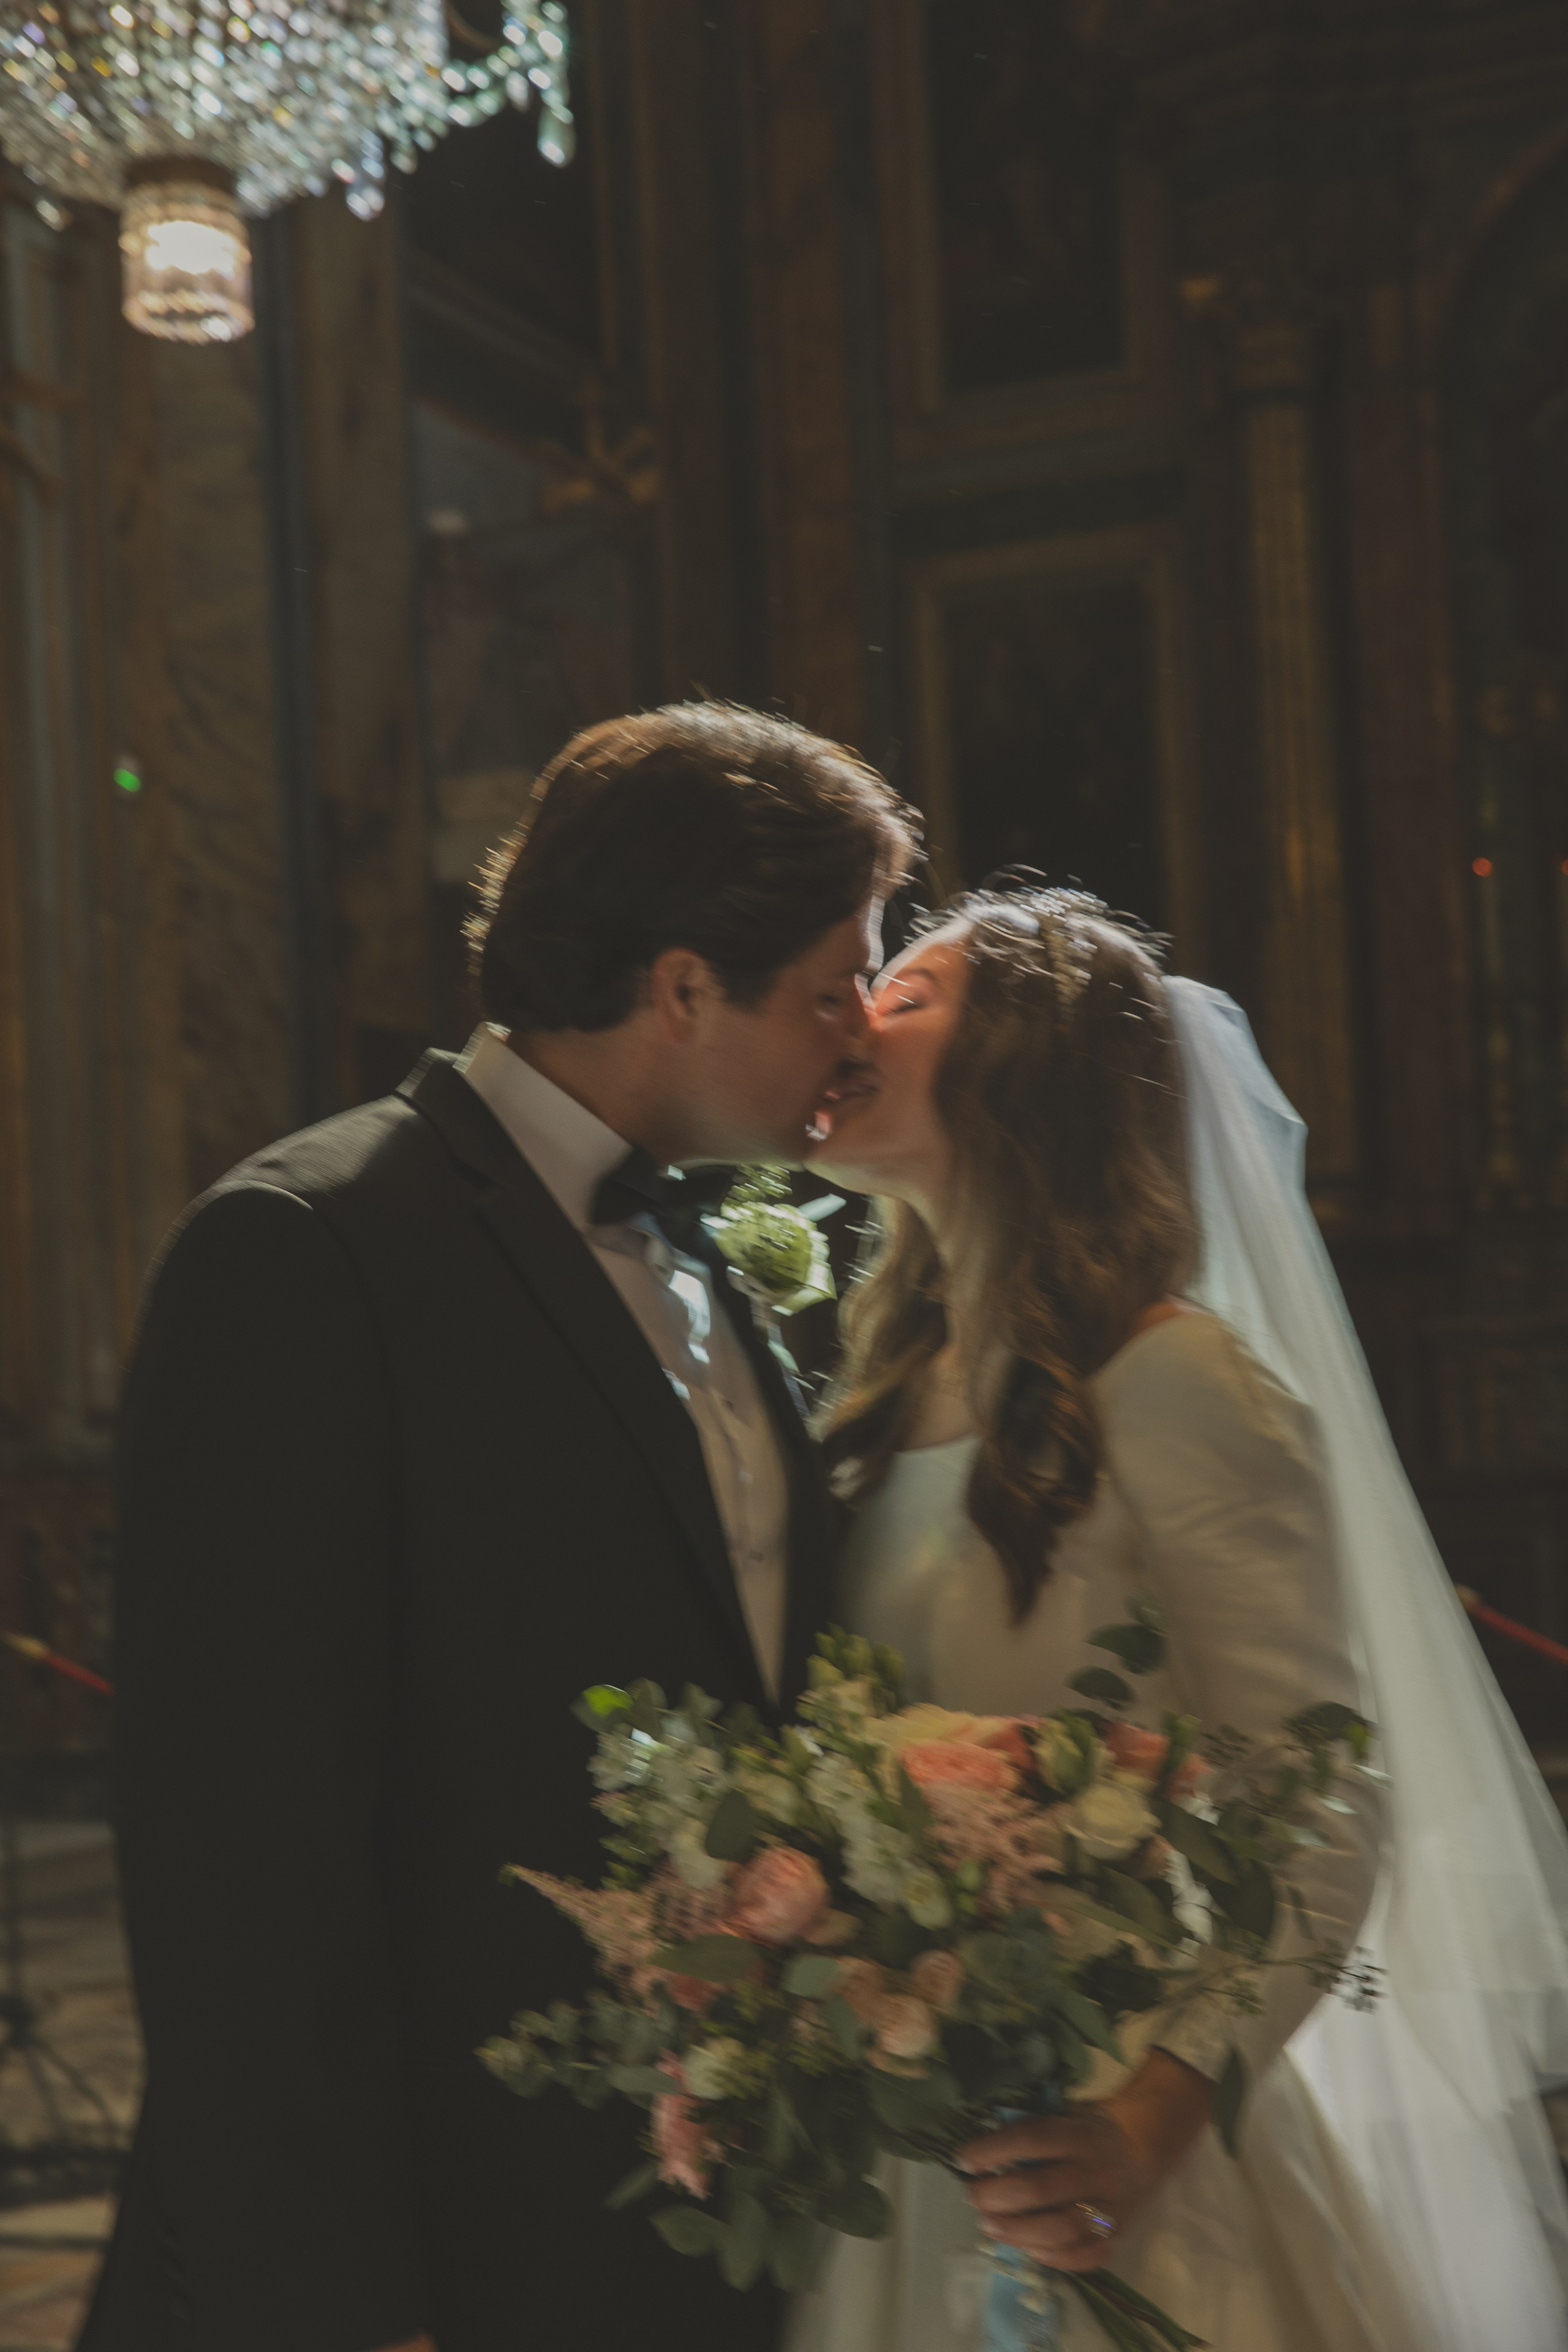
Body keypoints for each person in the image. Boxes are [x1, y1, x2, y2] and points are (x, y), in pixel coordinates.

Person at [79, 704, 916, 2352]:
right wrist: (338, 2309)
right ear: (682, 989)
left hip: (689, 2230)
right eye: (833, 987)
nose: (862, 1035)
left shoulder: (721, 1265)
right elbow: (238, 1858)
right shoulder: (309, 1251)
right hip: (431, 2260)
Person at [787, 884, 1568, 2352]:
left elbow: (1323, 1803)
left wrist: (1151, 2120)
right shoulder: (881, 1399)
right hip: (916, 2128)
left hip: (1125, 2147)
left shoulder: (1175, 1383)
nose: (853, 1017)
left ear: (1025, 1062)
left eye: (906, 994)